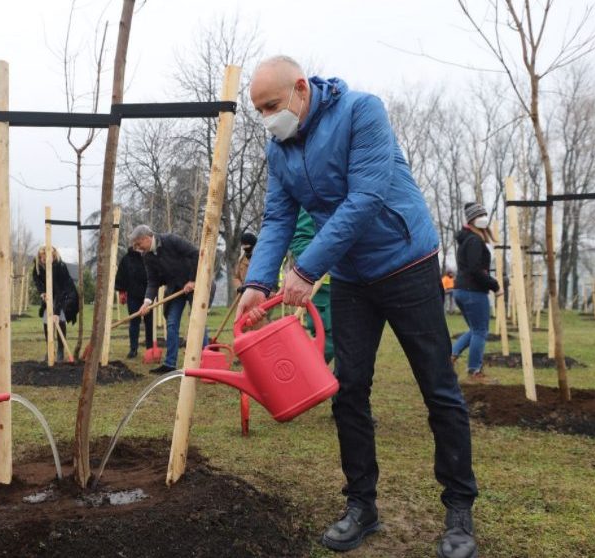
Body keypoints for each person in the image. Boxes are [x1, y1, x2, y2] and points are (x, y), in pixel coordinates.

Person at [239, 56, 478, 558]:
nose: (266, 118)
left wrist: (306, 268)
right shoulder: (278, 147)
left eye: (272, 106)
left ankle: (459, 511)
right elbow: (278, 216)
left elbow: (366, 197)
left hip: (405, 259)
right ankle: (361, 506)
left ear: (301, 89)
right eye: (258, 110)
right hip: (351, 275)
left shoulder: (362, 112)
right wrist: (259, 281)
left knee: (438, 387)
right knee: (348, 390)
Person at [130, 225, 209, 374]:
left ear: (146, 238)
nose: (137, 248)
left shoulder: (170, 240)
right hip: (175, 289)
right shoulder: (146, 256)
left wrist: (193, 280)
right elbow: (153, 281)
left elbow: (196, 254)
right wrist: (147, 302)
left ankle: (205, 360)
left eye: (138, 244)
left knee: (198, 320)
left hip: (195, 284)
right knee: (172, 323)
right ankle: (170, 364)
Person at [451, 202, 501, 384]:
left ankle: (450, 358)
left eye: (484, 215)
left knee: (475, 330)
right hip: (473, 291)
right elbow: (475, 269)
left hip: (462, 290)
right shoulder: (473, 240)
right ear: (471, 220)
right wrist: (494, 285)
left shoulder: (468, 239)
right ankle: (474, 373)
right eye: (479, 216)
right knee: (480, 331)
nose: (483, 219)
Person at [290, 209, 334, 364]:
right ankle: (301, 376)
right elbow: (301, 239)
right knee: (327, 340)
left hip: (356, 283)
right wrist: (326, 260)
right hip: (323, 287)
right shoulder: (311, 199)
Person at [32, 246, 79, 363]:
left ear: (53, 256)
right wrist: (42, 292)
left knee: (60, 318)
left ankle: (60, 350)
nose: (45, 260)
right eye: (42, 257)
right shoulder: (37, 267)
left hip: (66, 296)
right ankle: (50, 349)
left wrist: (56, 312)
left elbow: (60, 291)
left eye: (48, 257)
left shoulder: (60, 267)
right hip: (50, 295)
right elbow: (37, 281)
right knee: (46, 319)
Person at [115, 245, 153, 359]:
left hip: (149, 294)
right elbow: (121, 276)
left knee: (149, 322)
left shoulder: (149, 256)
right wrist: (122, 292)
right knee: (134, 322)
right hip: (133, 295)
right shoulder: (127, 259)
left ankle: (150, 348)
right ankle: (133, 349)